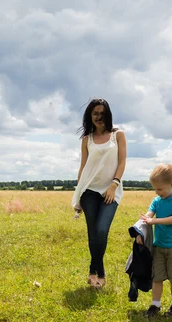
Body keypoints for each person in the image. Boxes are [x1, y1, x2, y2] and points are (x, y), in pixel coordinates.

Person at [72, 98, 126, 289]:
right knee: (93, 232)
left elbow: (121, 163)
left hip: (111, 190)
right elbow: (83, 167)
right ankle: (98, 274)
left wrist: (114, 184)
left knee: (102, 230)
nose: (99, 117)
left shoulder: (117, 135)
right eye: (95, 113)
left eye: (102, 113)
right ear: (90, 116)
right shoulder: (87, 139)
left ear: (108, 114)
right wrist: (78, 195)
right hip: (89, 190)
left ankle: (93, 269)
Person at [140, 163, 172, 317]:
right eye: (155, 189)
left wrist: (153, 221)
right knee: (157, 277)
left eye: (160, 189)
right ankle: (155, 304)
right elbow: (149, 215)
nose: (157, 192)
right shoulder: (157, 201)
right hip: (159, 246)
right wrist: (141, 229)